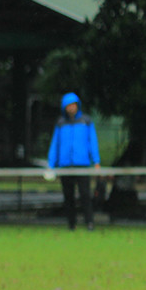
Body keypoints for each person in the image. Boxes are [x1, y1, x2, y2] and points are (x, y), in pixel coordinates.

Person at [47, 92, 101, 230]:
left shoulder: (86, 121)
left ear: (77, 106)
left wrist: (96, 161)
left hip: (82, 164)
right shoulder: (60, 123)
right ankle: (71, 224)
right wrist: (51, 164)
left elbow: (92, 142)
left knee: (85, 195)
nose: (71, 108)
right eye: (68, 106)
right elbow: (55, 144)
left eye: (73, 105)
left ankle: (89, 222)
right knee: (68, 196)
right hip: (65, 165)